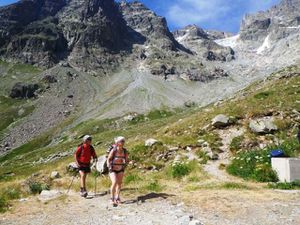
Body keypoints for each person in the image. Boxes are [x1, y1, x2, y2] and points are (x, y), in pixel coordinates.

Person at [107, 136, 129, 205]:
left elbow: (126, 160)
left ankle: (117, 197)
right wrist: (109, 166)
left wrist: (125, 165)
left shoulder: (124, 151)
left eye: (123, 141)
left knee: (119, 183)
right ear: (117, 142)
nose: (123, 142)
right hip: (112, 168)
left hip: (120, 168)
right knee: (114, 182)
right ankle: (112, 198)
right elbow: (108, 159)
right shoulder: (114, 150)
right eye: (121, 141)